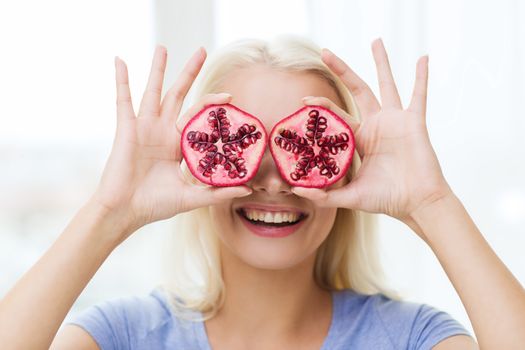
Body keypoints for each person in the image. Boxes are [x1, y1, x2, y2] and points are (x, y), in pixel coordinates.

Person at [1, 36, 524, 350]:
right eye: (241, 144)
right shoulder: (124, 335)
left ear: (348, 168)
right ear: (194, 166)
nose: (272, 180)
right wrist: (109, 211)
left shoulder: (410, 337)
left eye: (302, 146)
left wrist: (432, 205)